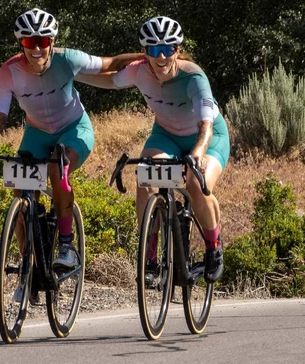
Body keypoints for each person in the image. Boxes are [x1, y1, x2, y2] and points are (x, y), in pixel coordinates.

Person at [0, 8, 143, 286]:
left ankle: (67, 246)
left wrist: (152, 55)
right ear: (20, 44)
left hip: (74, 129)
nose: (36, 48)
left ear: (52, 42)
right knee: (20, 195)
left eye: (42, 42)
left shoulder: (69, 58)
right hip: (37, 132)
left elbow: (112, 63)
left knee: (58, 168)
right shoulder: (8, 72)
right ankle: (28, 264)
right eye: (29, 42)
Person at [77, 16, 229, 283]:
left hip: (208, 136)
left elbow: (206, 124)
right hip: (166, 135)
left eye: (167, 49)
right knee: (146, 178)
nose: (161, 57)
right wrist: (72, 74)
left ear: (177, 51)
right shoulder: (139, 70)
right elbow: (110, 80)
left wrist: (198, 153)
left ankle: (213, 247)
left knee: (196, 183)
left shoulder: (193, 76)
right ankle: (149, 257)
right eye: (153, 50)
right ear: (145, 52)